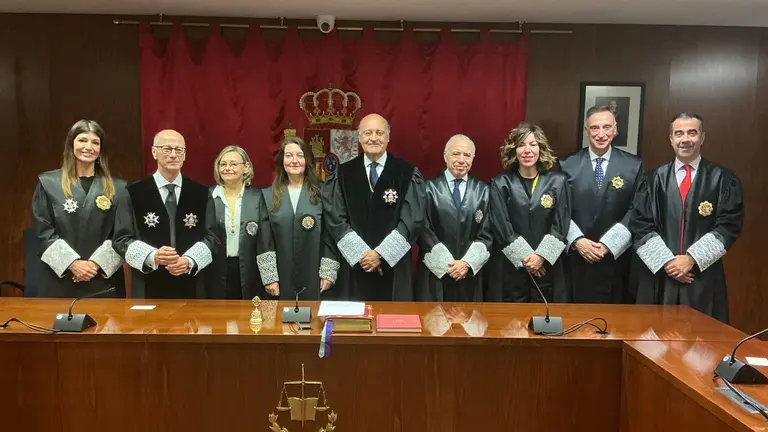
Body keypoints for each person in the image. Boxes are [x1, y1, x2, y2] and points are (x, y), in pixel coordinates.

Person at [632, 113, 743, 322]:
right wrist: (668, 263)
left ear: (702, 137)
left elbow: (729, 225)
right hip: (660, 275)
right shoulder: (651, 180)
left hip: (701, 275)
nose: (685, 139)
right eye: (679, 133)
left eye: (692, 133)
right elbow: (640, 224)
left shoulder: (723, 180)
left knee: (702, 343)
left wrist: (691, 259)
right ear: (671, 139)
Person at [322, 113, 426, 301]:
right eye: (368, 133)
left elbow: (412, 220)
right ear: (359, 137)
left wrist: (381, 255)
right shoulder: (343, 173)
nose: (373, 138)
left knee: (393, 325)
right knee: (353, 324)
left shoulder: (407, 173)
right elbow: (335, 218)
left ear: (388, 137)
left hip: (394, 269)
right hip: (354, 266)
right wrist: (363, 255)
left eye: (379, 133)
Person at [113, 129, 218, 298]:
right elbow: (121, 239)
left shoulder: (201, 193)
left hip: (192, 285)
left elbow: (212, 237)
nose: (173, 155)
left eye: (179, 150)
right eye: (167, 149)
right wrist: (153, 256)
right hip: (147, 285)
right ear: (154, 152)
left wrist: (188, 261)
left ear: (185, 155)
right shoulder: (133, 192)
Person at [31, 120, 126, 298]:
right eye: (82, 140)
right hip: (59, 281)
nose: (88, 147)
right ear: (71, 144)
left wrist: (94, 265)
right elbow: (42, 232)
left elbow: (123, 235)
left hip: (103, 281)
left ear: (101, 149)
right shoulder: (48, 184)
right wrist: (73, 263)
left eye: (95, 142)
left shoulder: (119, 189)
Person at [560, 105, 644, 303]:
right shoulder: (566, 165)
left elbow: (637, 208)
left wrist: (609, 244)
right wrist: (577, 241)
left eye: (607, 127)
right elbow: (560, 209)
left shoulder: (633, 165)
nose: (601, 134)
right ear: (586, 131)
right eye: (595, 128)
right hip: (575, 258)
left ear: (615, 129)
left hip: (616, 260)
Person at [488, 122, 571, 303]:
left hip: (547, 267)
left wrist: (541, 256)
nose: (527, 150)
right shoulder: (500, 183)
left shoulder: (558, 182)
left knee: (545, 322)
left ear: (540, 149)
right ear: (513, 150)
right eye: (521, 145)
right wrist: (527, 259)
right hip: (511, 269)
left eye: (533, 144)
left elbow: (561, 224)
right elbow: (502, 226)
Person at [256, 136, 340, 300]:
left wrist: (328, 272)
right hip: (281, 275)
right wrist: (270, 277)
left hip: (315, 275)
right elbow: (265, 240)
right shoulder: (268, 195)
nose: (294, 161)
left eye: (300, 155)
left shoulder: (324, 193)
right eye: (289, 156)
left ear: (307, 160)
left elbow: (330, 235)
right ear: (282, 160)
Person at [416, 134, 492, 302]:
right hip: (434, 276)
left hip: (470, 275)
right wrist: (448, 265)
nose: (461, 160)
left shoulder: (484, 191)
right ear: (445, 156)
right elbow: (422, 230)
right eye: (456, 154)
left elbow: (488, 232)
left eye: (467, 155)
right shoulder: (428, 189)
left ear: (473, 159)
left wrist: (465, 264)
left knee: (468, 324)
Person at [208, 145, 263, 299]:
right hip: (214, 271)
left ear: (246, 167)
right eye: (223, 164)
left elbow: (265, 240)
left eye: (233, 164)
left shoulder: (258, 197)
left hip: (250, 271)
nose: (227, 168)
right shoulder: (208, 196)